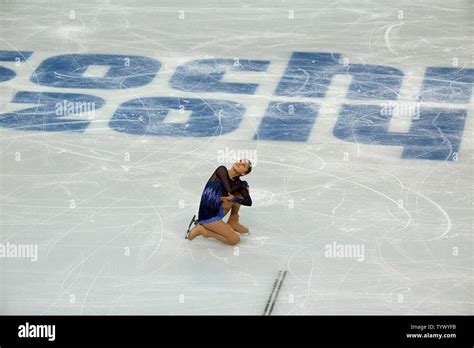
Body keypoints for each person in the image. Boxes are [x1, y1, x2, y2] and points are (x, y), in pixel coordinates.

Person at [186, 159, 252, 245]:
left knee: (241, 192)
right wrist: (242, 185)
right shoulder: (222, 170)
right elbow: (229, 189)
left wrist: (234, 199)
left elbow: (248, 202)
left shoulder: (238, 183)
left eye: (243, 165)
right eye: (240, 161)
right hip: (207, 215)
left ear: (244, 173)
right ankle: (203, 231)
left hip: (218, 209)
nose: (239, 163)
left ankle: (233, 220)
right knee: (235, 239)